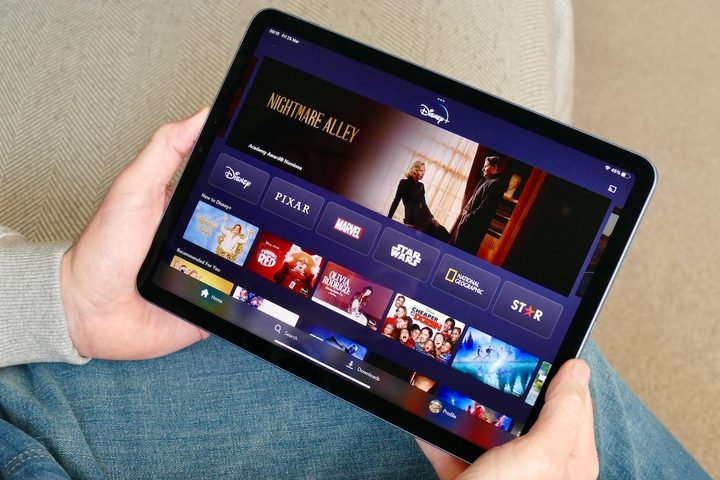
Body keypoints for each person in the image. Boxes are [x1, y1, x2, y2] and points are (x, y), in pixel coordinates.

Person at [0, 112, 709, 479]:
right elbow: (412, 217)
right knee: (543, 392)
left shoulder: (451, 200)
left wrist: (65, 297)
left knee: (544, 376)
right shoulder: (421, 197)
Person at [450, 156, 508, 256]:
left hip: (473, 229)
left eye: (485, 166)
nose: (482, 169)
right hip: (467, 223)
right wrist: (465, 215)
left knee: (461, 256)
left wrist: (467, 218)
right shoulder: (485, 181)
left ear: (494, 167)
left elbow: (484, 208)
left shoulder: (496, 184)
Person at [388, 160, 449, 241]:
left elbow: (424, 204)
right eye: (421, 170)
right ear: (415, 170)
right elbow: (396, 201)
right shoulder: (404, 183)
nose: (423, 173)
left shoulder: (421, 186)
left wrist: (432, 218)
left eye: (424, 171)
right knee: (430, 238)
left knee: (444, 233)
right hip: (413, 220)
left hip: (425, 218)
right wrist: (388, 218)